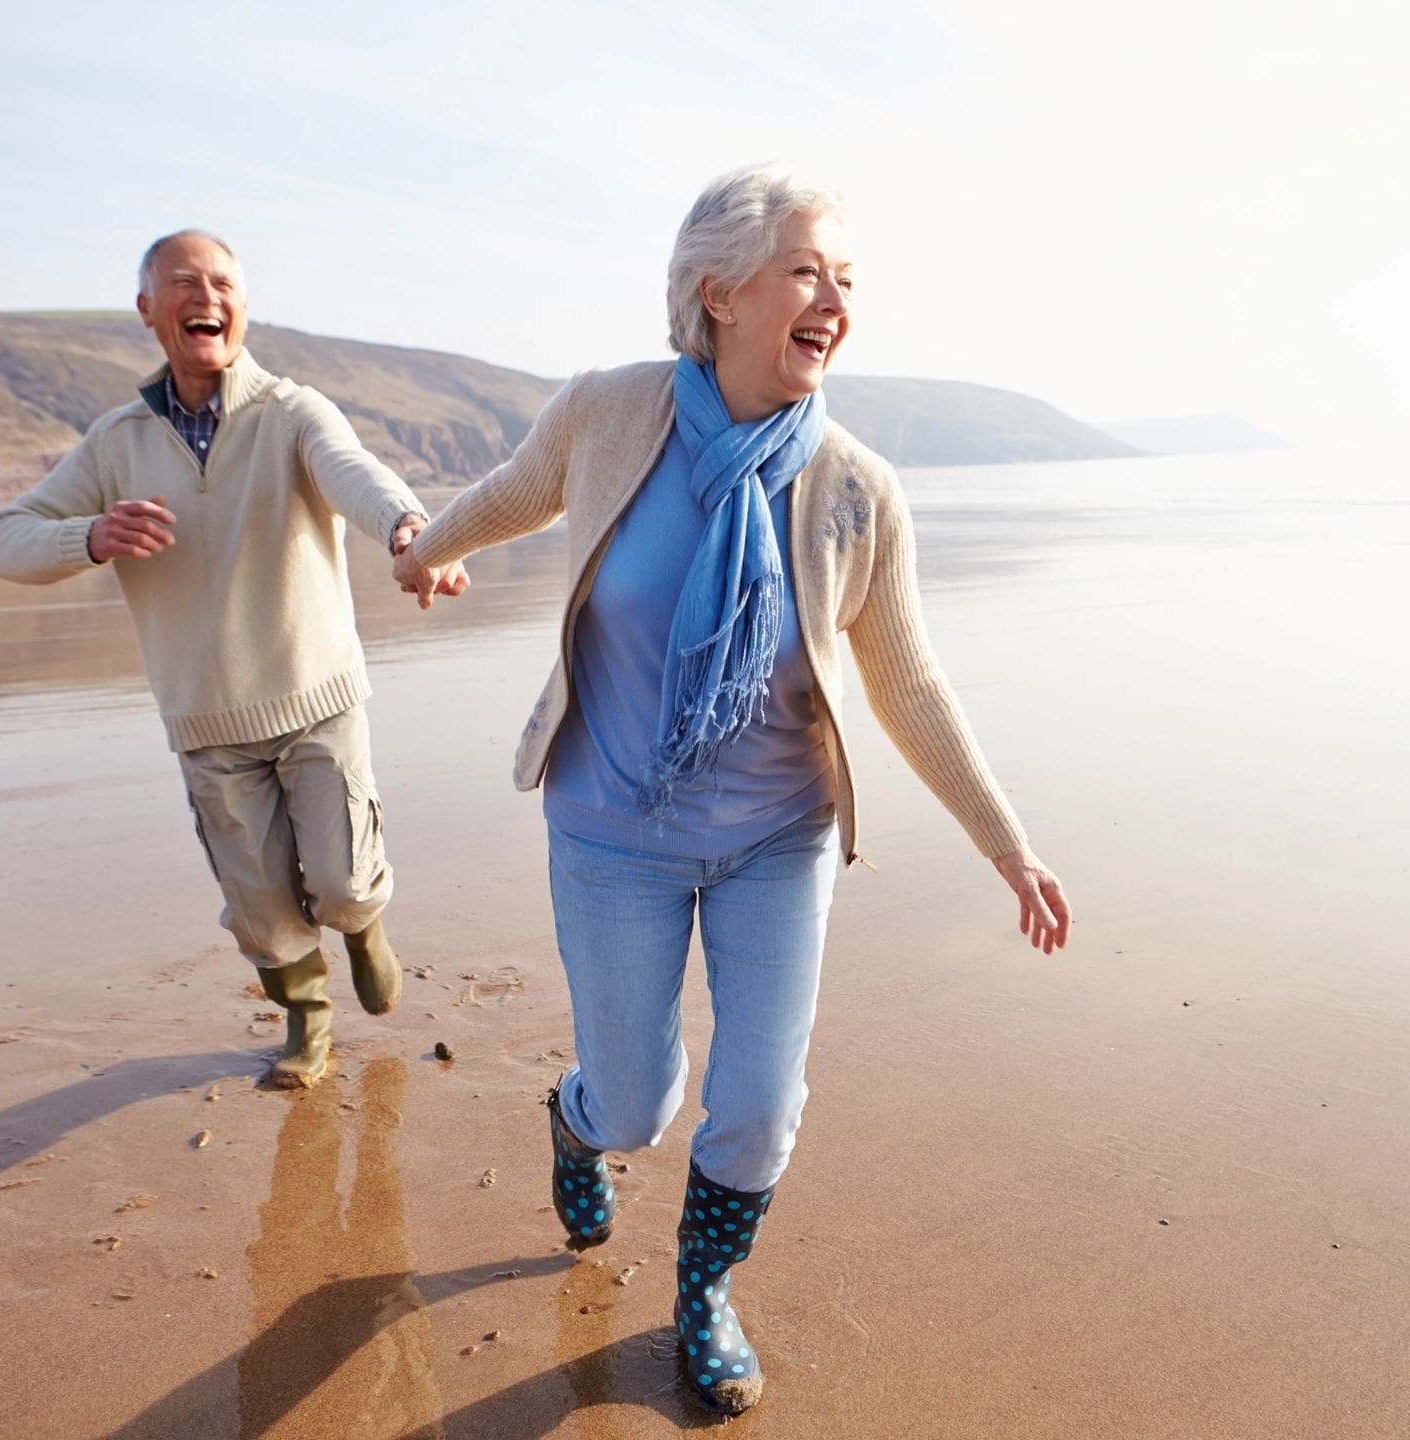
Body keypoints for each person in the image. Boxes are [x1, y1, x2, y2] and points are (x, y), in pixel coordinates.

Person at [398, 165, 1072, 1416]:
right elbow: (510, 496)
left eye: (848, 281)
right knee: (637, 1102)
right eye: (810, 271)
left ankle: (703, 1295)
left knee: (759, 1111)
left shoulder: (857, 489)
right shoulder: (607, 415)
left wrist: (1009, 847)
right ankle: (575, 1121)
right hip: (611, 830)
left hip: (778, 838)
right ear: (718, 290)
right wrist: (423, 553)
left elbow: (910, 689)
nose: (836, 301)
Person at [0, 229, 467, 1089]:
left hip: (316, 696)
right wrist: (88, 535)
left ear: (243, 303)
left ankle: (363, 927)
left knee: (344, 881)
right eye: (183, 283)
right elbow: (2, 542)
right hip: (206, 719)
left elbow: (356, 473)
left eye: (222, 282)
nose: (206, 296)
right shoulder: (115, 441)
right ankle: (307, 1020)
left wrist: (408, 528)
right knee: (262, 910)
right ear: (147, 310)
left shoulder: (291, 411)